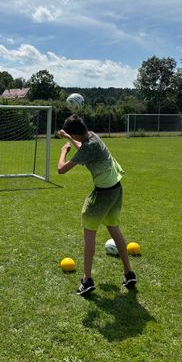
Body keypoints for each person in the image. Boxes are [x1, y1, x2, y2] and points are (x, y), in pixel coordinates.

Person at [57, 114, 136, 296]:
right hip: (116, 190)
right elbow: (83, 148)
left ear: (76, 135)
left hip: (102, 195)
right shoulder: (93, 135)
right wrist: (69, 137)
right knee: (114, 229)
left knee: (89, 233)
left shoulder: (87, 148)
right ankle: (129, 273)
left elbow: (61, 170)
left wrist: (64, 151)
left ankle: (86, 280)